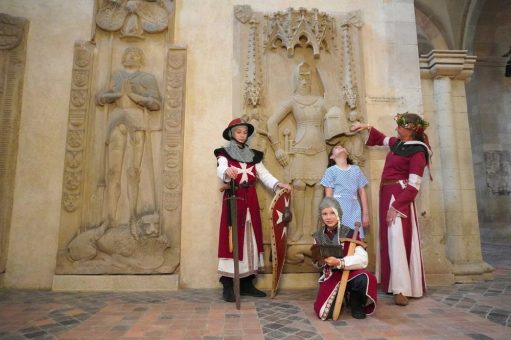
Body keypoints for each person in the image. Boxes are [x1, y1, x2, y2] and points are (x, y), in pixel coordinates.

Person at [350, 112, 432, 306]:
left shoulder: (418, 152)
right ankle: (392, 283)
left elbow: (414, 186)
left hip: (399, 198)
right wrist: (366, 127)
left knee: (398, 240)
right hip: (387, 194)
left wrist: (396, 206)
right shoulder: (398, 144)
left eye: (400, 126)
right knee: (389, 240)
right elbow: (382, 139)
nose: (397, 129)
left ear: (411, 129)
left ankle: (402, 288)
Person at [214, 118, 292, 302]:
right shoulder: (224, 153)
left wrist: (278, 184)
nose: (242, 135)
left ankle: (247, 283)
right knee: (232, 239)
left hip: (250, 198)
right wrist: (226, 173)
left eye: (244, 132)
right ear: (232, 133)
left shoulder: (253, 156)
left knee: (251, 237)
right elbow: (221, 168)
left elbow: (263, 174)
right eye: (238, 132)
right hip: (234, 198)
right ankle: (228, 284)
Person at [96, 47, 161, 238]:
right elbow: (101, 98)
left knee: (133, 172)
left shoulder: (147, 77)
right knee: (112, 172)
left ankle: (133, 217)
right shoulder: (116, 75)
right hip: (116, 121)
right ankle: (109, 219)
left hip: (137, 122)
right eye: (128, 54)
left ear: (140, 59)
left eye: (135, 54)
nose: (131, 56)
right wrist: (116, 95)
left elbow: (156, 103)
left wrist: (135, 95)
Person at [267, 62, 334, 242]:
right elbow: (272, 122)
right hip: (300, 150)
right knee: (298, 186)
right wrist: (277, 147)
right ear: (296, 79)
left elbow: (335, 119)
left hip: (319, 150)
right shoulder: (292, 101)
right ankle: (298, 231)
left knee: (320, 187)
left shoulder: (321, 101)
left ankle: (314, 230)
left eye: (307, 76)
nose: (304, 80)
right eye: (301, 76)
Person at [312, 197, 377, 320]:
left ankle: (356, 304)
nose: (328, 217)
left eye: (332, 213)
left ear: (339, 213)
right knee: (324, 314)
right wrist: (320, 261)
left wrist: (339, 262)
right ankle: (339, 300)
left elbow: (362, 259)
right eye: (324, 214)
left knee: (364, 277)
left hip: (351, 273)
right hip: (331, 276)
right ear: (321, 216)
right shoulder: (318, 236)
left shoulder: (350, 233)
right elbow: (316, 262)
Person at [320, 144, 370, 239]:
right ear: (332, 157)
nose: (340, 147)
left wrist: (366, 214)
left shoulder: (356, 169)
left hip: (355, 210)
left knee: (357, 240)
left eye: (342, 147)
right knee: (339, 241)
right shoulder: (330, 171)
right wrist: (329, 216)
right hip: (338, 210)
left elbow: (362, 192)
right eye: (336, 148)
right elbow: (328, 196)